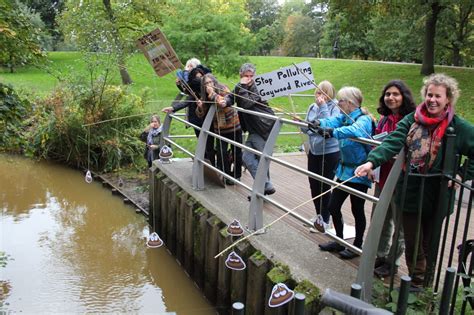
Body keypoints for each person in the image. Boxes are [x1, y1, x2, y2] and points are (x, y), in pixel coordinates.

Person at [355, 73, 474, 287]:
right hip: (410, 192)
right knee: (413, 242)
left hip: (438, 195)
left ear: (448, 99)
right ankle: (418, 283)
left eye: (438, 96)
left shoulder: (459, 126)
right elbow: (393, 140)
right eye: (429, 95)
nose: (432, 100)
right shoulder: (413, 119)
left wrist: (461, 174)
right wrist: (371, 162)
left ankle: (425, 286)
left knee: (430, 243)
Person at [310, 87, 373, 259]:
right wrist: (319, 124)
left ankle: (357, 246)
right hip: (344, 170)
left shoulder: (364, 119)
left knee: (357, 209)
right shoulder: (344, 117)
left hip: (359, 172)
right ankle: (339, 240)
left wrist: (333, 133)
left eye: (341, 101)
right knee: (333, 206)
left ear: (351, 102)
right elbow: (331, 121)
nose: (338, 103)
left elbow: (355, 130)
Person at [372, 80, 416, 278]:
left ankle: (393, 261)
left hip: (401, 180)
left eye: (395, 94)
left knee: (399, 223)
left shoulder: (411, 121)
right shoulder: (384, 119)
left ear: (404, 97)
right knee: (381, 218)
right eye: (388, 94)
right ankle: (379, 254)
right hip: (383, 177)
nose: (391, 97)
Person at [225, 63, 276, 195]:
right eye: (245, 76)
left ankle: (264, 186)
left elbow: (246, 103)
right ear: (241, 75)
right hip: (253, 128)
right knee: (250, 158)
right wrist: (224, 101)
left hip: (263, 126)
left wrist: (242, 86)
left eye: (251, 76)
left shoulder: (258, 87)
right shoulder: (240, 86)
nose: (248, 78)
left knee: (259, 158)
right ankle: (264, 185)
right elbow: (232, 97)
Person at [300, 81, 340, 233]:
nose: (319, 96)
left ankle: (326, 219)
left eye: (323, 93)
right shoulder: (312, 107)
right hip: (314, 150)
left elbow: (328, 127)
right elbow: (307, 127)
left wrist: (323, 108)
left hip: (330, 152)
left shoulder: (336, 107)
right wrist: (302, 124)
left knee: (324, 186)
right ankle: (319, 216)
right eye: (317, 92)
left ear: (329, 94)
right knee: (314, 184)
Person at [162, 63, 216, 165]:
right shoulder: (193, 92)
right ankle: (205, 165)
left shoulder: (210, 88)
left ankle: (212, 165)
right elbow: (186, 101)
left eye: (201, 77)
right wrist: (173, 108)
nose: (199, 79)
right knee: (201, 142)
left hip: (210, 121)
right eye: (197, 77)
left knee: (209, 144)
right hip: (197, 120)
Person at [196, 74, 242, 183]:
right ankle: (226, 175)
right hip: (220, 128)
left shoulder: (223, 88)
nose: (209, 85)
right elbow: (201, 115)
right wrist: (200, 107)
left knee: (237, 151)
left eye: (210, 82)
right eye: (206, 83)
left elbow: (223, 102)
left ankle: (236, 175)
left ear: (214, 81)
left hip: (234, 126)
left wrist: (212, 93)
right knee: (222, 153)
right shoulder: (205, 96)